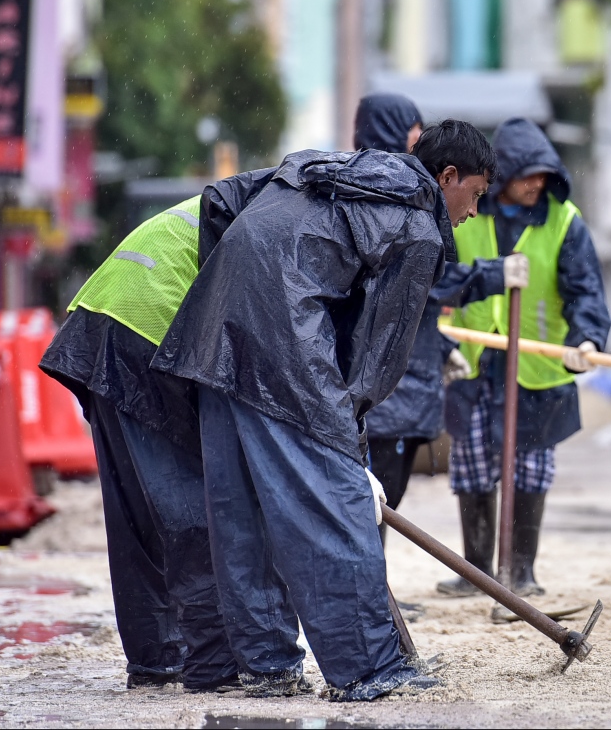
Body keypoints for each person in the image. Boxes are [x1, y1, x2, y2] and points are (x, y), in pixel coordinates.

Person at [150, 121, 496, 701]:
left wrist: (233, 302)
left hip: (213, 333)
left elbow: (221, 201)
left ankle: (265, 664)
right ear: (448, 177)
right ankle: (368, 668)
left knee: (242, 513)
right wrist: (348, 434)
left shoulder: (325, 169)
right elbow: (378, 354)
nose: (472, 212)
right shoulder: (419, 226)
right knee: (335, 505)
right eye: (476, 195)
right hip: (282, 341)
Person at [40, 179, 274, 692]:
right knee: (191, 504)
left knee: (136, 515)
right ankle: (212, 665)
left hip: (98, 319)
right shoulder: (287, 228)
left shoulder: (255, 203)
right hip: (146, 330)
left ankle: (155, 658)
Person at [436, 118, 611, 598]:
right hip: (473, 363)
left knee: (531, 468)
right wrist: (443, 345)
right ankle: (477, 572)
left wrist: (588, 340)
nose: (536, 184)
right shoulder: (467, 210)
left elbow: (586, 293)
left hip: (537, 368)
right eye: (526, 175)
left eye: (543, 175)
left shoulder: (564, 221)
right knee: (472, 466)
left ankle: (520, 571)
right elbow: (435, 280)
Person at [352, 97, 473, 548]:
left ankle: (374, 593)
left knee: (385, 495)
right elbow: (400, 297)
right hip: (383, 387)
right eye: (414, 129)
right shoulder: (389, 204)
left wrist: (442, 349)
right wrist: (493, 276)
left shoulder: (414, 201)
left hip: (407, 375)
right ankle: (369, 596)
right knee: (371, 494)